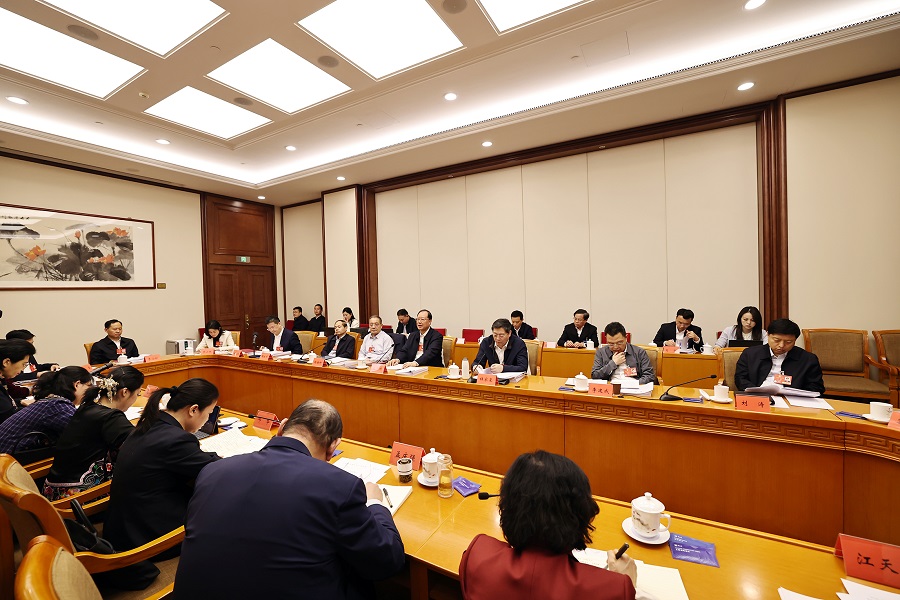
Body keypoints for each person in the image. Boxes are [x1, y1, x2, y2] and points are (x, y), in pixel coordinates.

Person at [172, 399, 405, 599]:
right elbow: (386, 562)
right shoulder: (340, 486)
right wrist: (375, 504)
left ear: (281, 428)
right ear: (333, 446)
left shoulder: (213, 471)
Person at [459, 450, 636, 600]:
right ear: (580, 516)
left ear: (507, 506)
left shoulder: (477, 556)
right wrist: (626, 581)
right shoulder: (615, 588)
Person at [103, 378, 220, 558]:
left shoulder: (152, 422)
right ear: (193, 410)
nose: (206, 421)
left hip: (122, 526)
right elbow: (216, 470)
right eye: (209, 413)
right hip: (146, 536)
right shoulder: (176, 439)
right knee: (222, 507)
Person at [42, 366, 144, 500]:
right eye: (137, 394)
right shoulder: (111, 417)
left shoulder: (88, 406)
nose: (136, 398)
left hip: (52, 490)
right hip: (75, 498)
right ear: (124, 392)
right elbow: (142, 446)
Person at [0, 366, 92, 457]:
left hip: (8, 455)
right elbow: (83, 432)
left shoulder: (51, 402)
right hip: (8, 460)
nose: (91, 390)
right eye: (89, 386)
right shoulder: (57, 405)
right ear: (77, 385)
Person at [734, 318, 825, 393]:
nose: (781, 345)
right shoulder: (750, 354)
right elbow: (740, 379)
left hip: (792, 401)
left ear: (795, 340)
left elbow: (816, 387)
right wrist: (756, 392)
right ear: (768, 334)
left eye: (788, 342)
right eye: (776, 340)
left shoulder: (808, 359)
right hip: (758, 397)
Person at [591, 322, 655, 384]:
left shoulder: (639, 352)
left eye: (619, 343)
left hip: (634, 386)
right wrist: (613, 363)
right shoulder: (601, 352)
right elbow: (595, 376)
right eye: (611, 344)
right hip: (611, 386)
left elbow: (649, 376)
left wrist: (633, 384)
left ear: (626, 338)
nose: (615, 347)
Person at [0, 339, 36, 425]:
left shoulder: (2, 379)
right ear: (6, 362)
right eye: (24, 364)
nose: (22, 369)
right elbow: (8, 415)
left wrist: (20, 402)